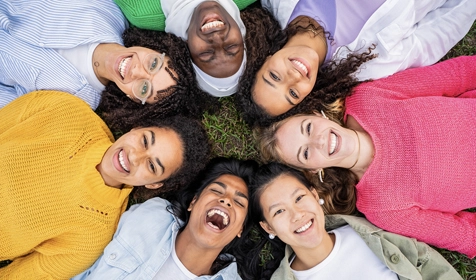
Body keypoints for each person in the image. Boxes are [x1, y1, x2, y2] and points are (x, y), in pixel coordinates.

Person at [257, 55, 476, 257]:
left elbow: (459, 74)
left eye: (308, 128)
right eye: (305, 152)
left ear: (318, 115)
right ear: (313, 170)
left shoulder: (367, 98)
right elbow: (465, 236)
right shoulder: (380, 207)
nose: (319, 141)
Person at [0, 90, 211, 279]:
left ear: (154, 185)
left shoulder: (92, 237)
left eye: (152, 166)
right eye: (145, 141)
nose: (134, 156)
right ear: (138, 127)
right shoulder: (68, 112)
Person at [235, 0, 476, 127]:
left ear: (264, 58)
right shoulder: (368, 63)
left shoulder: (278, 2)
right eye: (293, 93)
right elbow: (441, 30)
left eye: (274, 77)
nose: (293, 77)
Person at [244, 162, 462, 279]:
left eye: (299, 198)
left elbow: (428, 265)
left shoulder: (366, 233)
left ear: (314, 195)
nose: (297, 214)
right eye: (279, 211)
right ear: (268, 226)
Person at [0, 0, 215, 118]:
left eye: (144, 89)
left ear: (133, 98)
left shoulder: (74, 104)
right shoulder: (106, 9)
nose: (137, 72)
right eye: (153, 64)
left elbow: (10, 104)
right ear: (155, 47)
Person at [72, 157, 258, 280]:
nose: (226, 201)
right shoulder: (152, 218)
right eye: (216, 191)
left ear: (241, 228)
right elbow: (81, 262)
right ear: (193, 202)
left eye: (239, 202)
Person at [114, 0, 256, 97]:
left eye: (206, 53)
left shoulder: (140, 11)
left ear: (184, 47)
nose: (217, 38)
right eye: (231, 47)